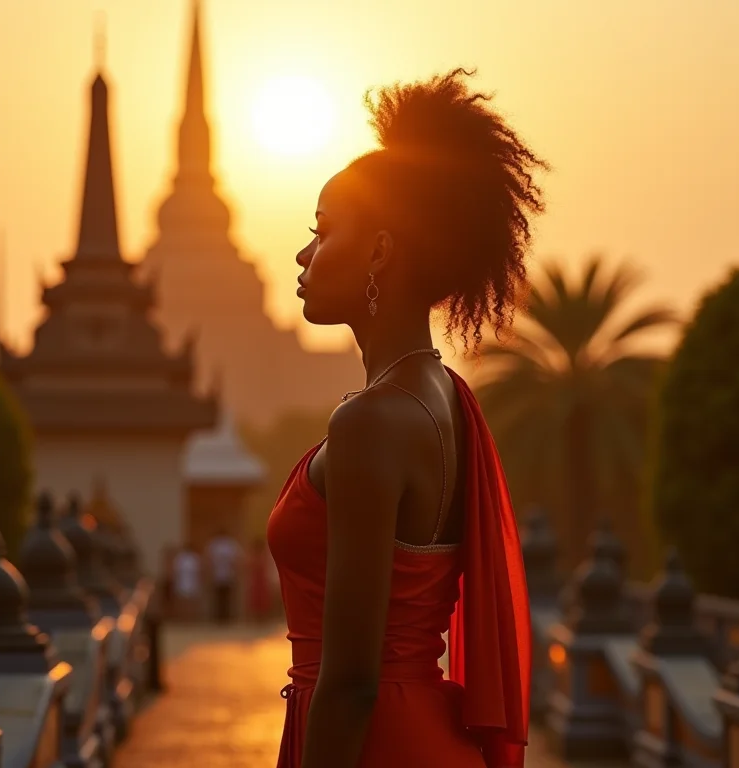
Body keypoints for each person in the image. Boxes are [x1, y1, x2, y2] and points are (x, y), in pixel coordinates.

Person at [267, 68, 547, 768]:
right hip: (424, 737)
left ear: (381, 252)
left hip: (373, 746)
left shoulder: (372, 423)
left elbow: (353, 682)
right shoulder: (443, 396)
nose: (304, 254)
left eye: (323, 232)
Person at [204, 528, 243, 624]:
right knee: (223, 598)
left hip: (220, 575)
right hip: (226, 575)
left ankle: (221, 618)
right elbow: (237, 560)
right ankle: (224, 618)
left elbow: (208, 560)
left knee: (221, 598)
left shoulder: (214, 544)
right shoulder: (230, 544)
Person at [171, 543, 202, 622]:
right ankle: (182, 618)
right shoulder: (180, 558)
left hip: (192, 581)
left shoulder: (194, 558)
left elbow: (199, 571)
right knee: (183, 602)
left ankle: (191, 618)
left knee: (191, 602)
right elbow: (176, 571)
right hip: (182, 581)